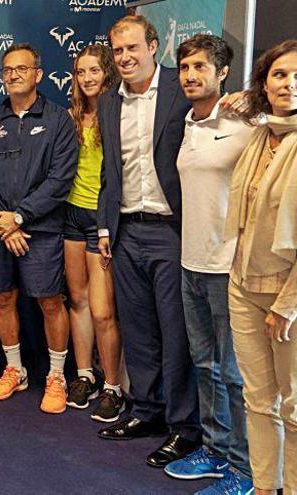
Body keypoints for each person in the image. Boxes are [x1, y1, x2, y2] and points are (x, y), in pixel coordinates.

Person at [94, 14, 202, 467]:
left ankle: (184, 427)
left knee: (176, 334)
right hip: (125, 231)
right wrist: (103, 226)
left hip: (171, 231)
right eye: (117, 50)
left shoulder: (183, 87)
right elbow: (110, 170)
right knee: (138, 330)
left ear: (154, 47)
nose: (124, 58)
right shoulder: (108, 102)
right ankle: (147, 411)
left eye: (132, 48)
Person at [163, 34, 255, 494]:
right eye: (184, 67)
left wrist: (256, 97)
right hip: (191, 262)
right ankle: (217, 450)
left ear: (222, 73)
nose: (191, 75)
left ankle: (245, 469)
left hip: (231, 269)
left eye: (201, 67)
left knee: (236, 375)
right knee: (206, 366)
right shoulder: (187, 123)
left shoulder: (247, 120)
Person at [0, 43, 78, 414]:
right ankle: (15, 369)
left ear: (38, 74)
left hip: (41, 230)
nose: (13, 75)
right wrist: (5, 221)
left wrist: (20, 217)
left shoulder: (59, 120)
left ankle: (57, 375)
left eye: (22, 68)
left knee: (50, 301)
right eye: (7, 70)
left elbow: (60, 179)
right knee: (1, 298)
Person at [226, 39, 297, 495]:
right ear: (264, 84)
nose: (290, 84)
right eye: (280, 74)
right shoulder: (260, 134)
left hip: (288, 298)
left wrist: (287, 305)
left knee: (294, 407)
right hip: (242, 284)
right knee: (257, 401)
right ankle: (264, 487)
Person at [62, 44, 125, 422]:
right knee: (78, 300)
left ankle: (114, 386)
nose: (87, 78)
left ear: (107, 73)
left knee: (103, 311)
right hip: (71, 215)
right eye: (81, 72)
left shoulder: (118, 113)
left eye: (94, 71)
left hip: (103, 219)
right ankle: (85, 374)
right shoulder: (72, 114)